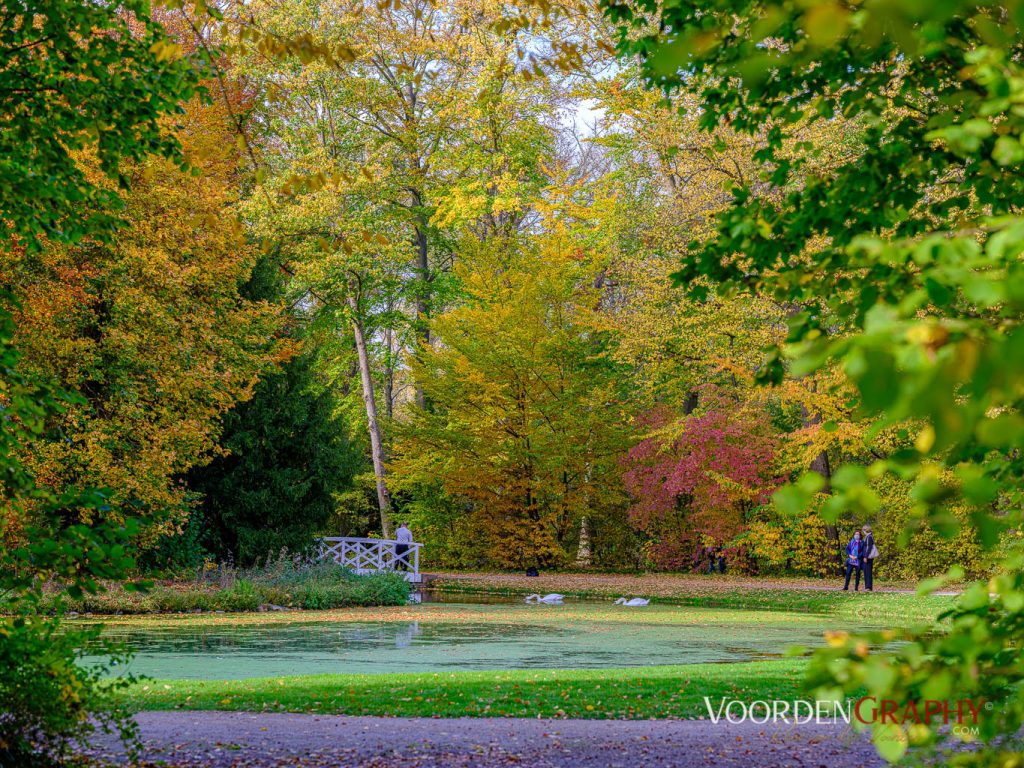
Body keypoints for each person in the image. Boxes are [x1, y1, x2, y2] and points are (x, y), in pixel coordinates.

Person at [860, 524, 878, 591]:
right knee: (867, 571)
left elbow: (869, 548)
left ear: (865, 530)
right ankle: (867, 587)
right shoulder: (868, 536)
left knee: (867, 572)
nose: (863, 531)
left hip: (868, 557)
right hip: (867, 557)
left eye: (863, 530)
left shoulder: (869, 537)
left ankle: (868, 587)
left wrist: (866, 557)